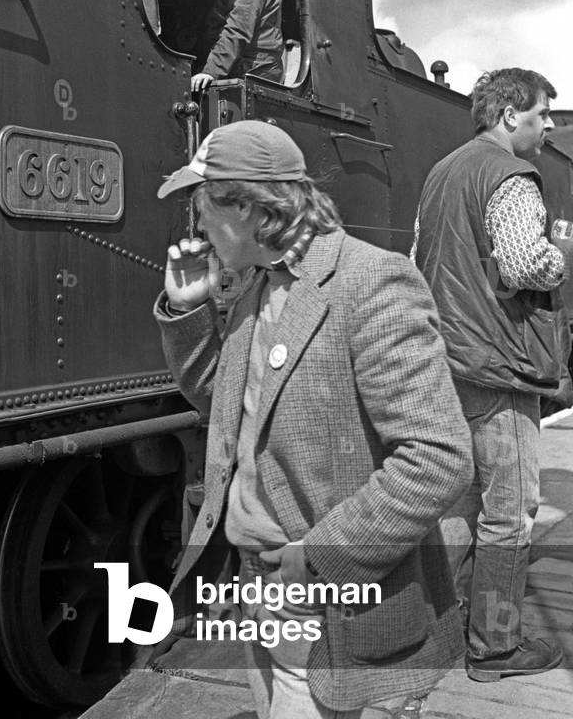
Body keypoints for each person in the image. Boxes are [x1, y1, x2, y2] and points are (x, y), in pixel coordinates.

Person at [154, 120, 473, 719]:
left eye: (201, 208)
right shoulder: (257, 284)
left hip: (319, 594)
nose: (195, 228)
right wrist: (187, 309)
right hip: (257, 581)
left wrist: (321, 557)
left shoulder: (370, 281)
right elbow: (226, 408)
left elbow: (439, 457)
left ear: (247, 206)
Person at [412, 68, 573, 682]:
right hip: (499, 362)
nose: (550, 125)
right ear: (511, 114)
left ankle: (447, 626)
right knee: (509, 511)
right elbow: (521, 263)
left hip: (449, 358)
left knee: (461, 501)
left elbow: (418, 260)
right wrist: (560, 254)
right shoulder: (510, 175)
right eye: (542, 113)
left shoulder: (441, 172)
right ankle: (495, 648)